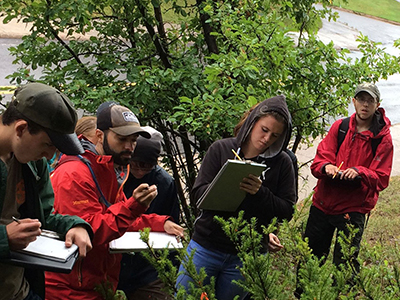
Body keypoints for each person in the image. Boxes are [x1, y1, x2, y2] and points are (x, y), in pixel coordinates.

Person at [45, 103, 184, 300]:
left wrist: (160, 223)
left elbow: (117, 217)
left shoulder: (107, 167)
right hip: (69, 289)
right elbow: (90, 230)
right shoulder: (74, 173)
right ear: (100, 136)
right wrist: (134, 206)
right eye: (122, 139)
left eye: (133, 140)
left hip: (96, 285)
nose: (129, 147)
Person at [176, 95, 297, 300]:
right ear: (252, 122)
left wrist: (261, 193)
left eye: (275, 136)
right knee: (185, 297)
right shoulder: (221, 149)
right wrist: (225, 186)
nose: (267, 139)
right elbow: (197, 195)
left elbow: (287, 210)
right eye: (264, 130)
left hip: (248, 254)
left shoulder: (283, 163)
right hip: (206, 246)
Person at [296, 83, 393, 296]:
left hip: (353, 209)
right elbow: (319, 162)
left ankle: (342, 295)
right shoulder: (339, 127)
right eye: (361, 99)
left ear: (377, 104)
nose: (365, 104)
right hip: (322, 204)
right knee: (310, 259)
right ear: (354, 101)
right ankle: (304, 295)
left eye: (370, 100)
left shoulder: (382, 138)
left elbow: (382, 178)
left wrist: (360, 172)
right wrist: (327, 167)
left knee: (345, 264)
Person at [0, 82, 93, 300]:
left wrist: (76, 225)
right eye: (47, 145)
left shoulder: (33, 163)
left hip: (17, 291)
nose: (50, 157)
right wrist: (4, 238)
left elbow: (43, 217)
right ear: (21, 128)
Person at [118, 126, 180, 300]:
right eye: (136, 164)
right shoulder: (118, 175)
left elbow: (171, 224)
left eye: (147, 167)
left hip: (148, 268)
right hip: (113, 261)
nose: (140, 171)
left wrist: (168, 270)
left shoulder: (164, 182)